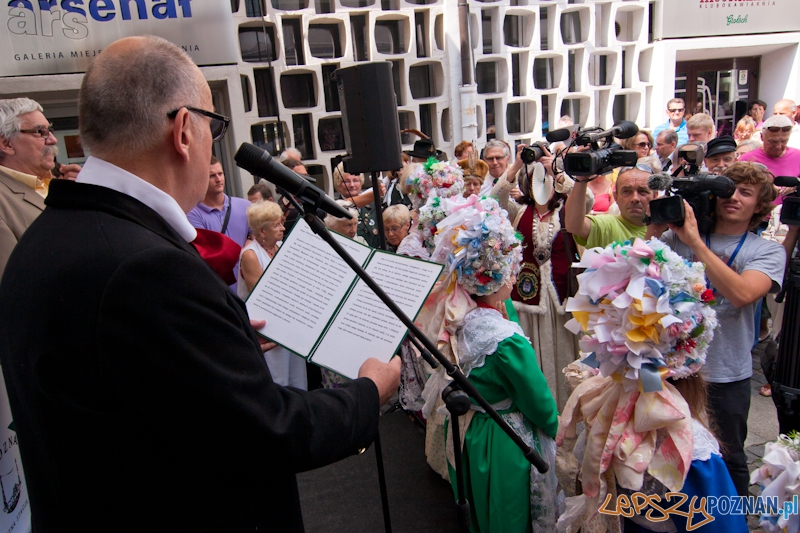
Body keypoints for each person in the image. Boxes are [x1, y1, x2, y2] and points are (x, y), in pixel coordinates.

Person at [0, 35, 400, 532]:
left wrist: (218, 341)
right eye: (216, 126)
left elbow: (146, 387)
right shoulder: (143, 267)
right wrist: (366, 393)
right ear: (185, 129)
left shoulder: (47, 236)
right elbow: (265, 431)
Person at [650, 161, 785, 497]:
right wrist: (656, 226)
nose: (734, 197)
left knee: (729, 456)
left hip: (726, 374)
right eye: (728, 189)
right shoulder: (680, 235)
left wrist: (695, 243)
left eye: (746, 192)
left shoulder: (766, 250)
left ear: (759, 205)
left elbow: (741, 294)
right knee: (669, 452)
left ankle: (733, 519)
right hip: (674, 371)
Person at [428, 197, 559, 533]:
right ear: (495, 277)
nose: (515, 276)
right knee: (508, 515)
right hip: (504, 441)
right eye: (511, 269)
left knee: (481, 511)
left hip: (473, 432)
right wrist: (557, 428)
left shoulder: (459, 321)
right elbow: (538, 402)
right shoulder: (504, 340)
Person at [0, 97, 81, 277]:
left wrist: (84, 198)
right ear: (6, 144)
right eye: (40, 132)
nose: (52, 140)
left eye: (50, 130)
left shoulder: (62, 183)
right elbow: (11, 285)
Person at [237, 200, 308, 389]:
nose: (283, 228)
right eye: (277, 225)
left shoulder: (280, 247)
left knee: (298, 379)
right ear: (262, 231)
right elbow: (263, 296)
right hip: (267, 329)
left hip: (289, 322)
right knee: (278, 380)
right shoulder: (250, 254)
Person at [187, 156, 251, 291]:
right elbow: (207, 252)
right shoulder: (192, 214)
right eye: (212, 176)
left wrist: (253, 241)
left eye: (220, 174)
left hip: (248, 283)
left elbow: (261, 237)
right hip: (219, 287)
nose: (218, 179)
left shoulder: (245, 206)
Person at [565, 166, 654, 249]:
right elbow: (574, 226)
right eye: (626, 192)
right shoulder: (607, 226)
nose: (635, 198)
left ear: (655, 195)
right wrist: (581, 178)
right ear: (616, 197)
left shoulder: (665, 228)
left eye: (642, 191)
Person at [739, 115, 800, 206]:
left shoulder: (797, 156)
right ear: (762, 137)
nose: (779, 146)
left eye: (784, 141)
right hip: (758, 216)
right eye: (773, 142)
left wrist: (796, 187)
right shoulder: (747, 159)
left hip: (788, 216)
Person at [332, 162, 382, 248]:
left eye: (355, 180)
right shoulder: (333, 209)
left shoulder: (374, 205)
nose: (352, 185)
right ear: (338, 184)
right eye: (346, 181)